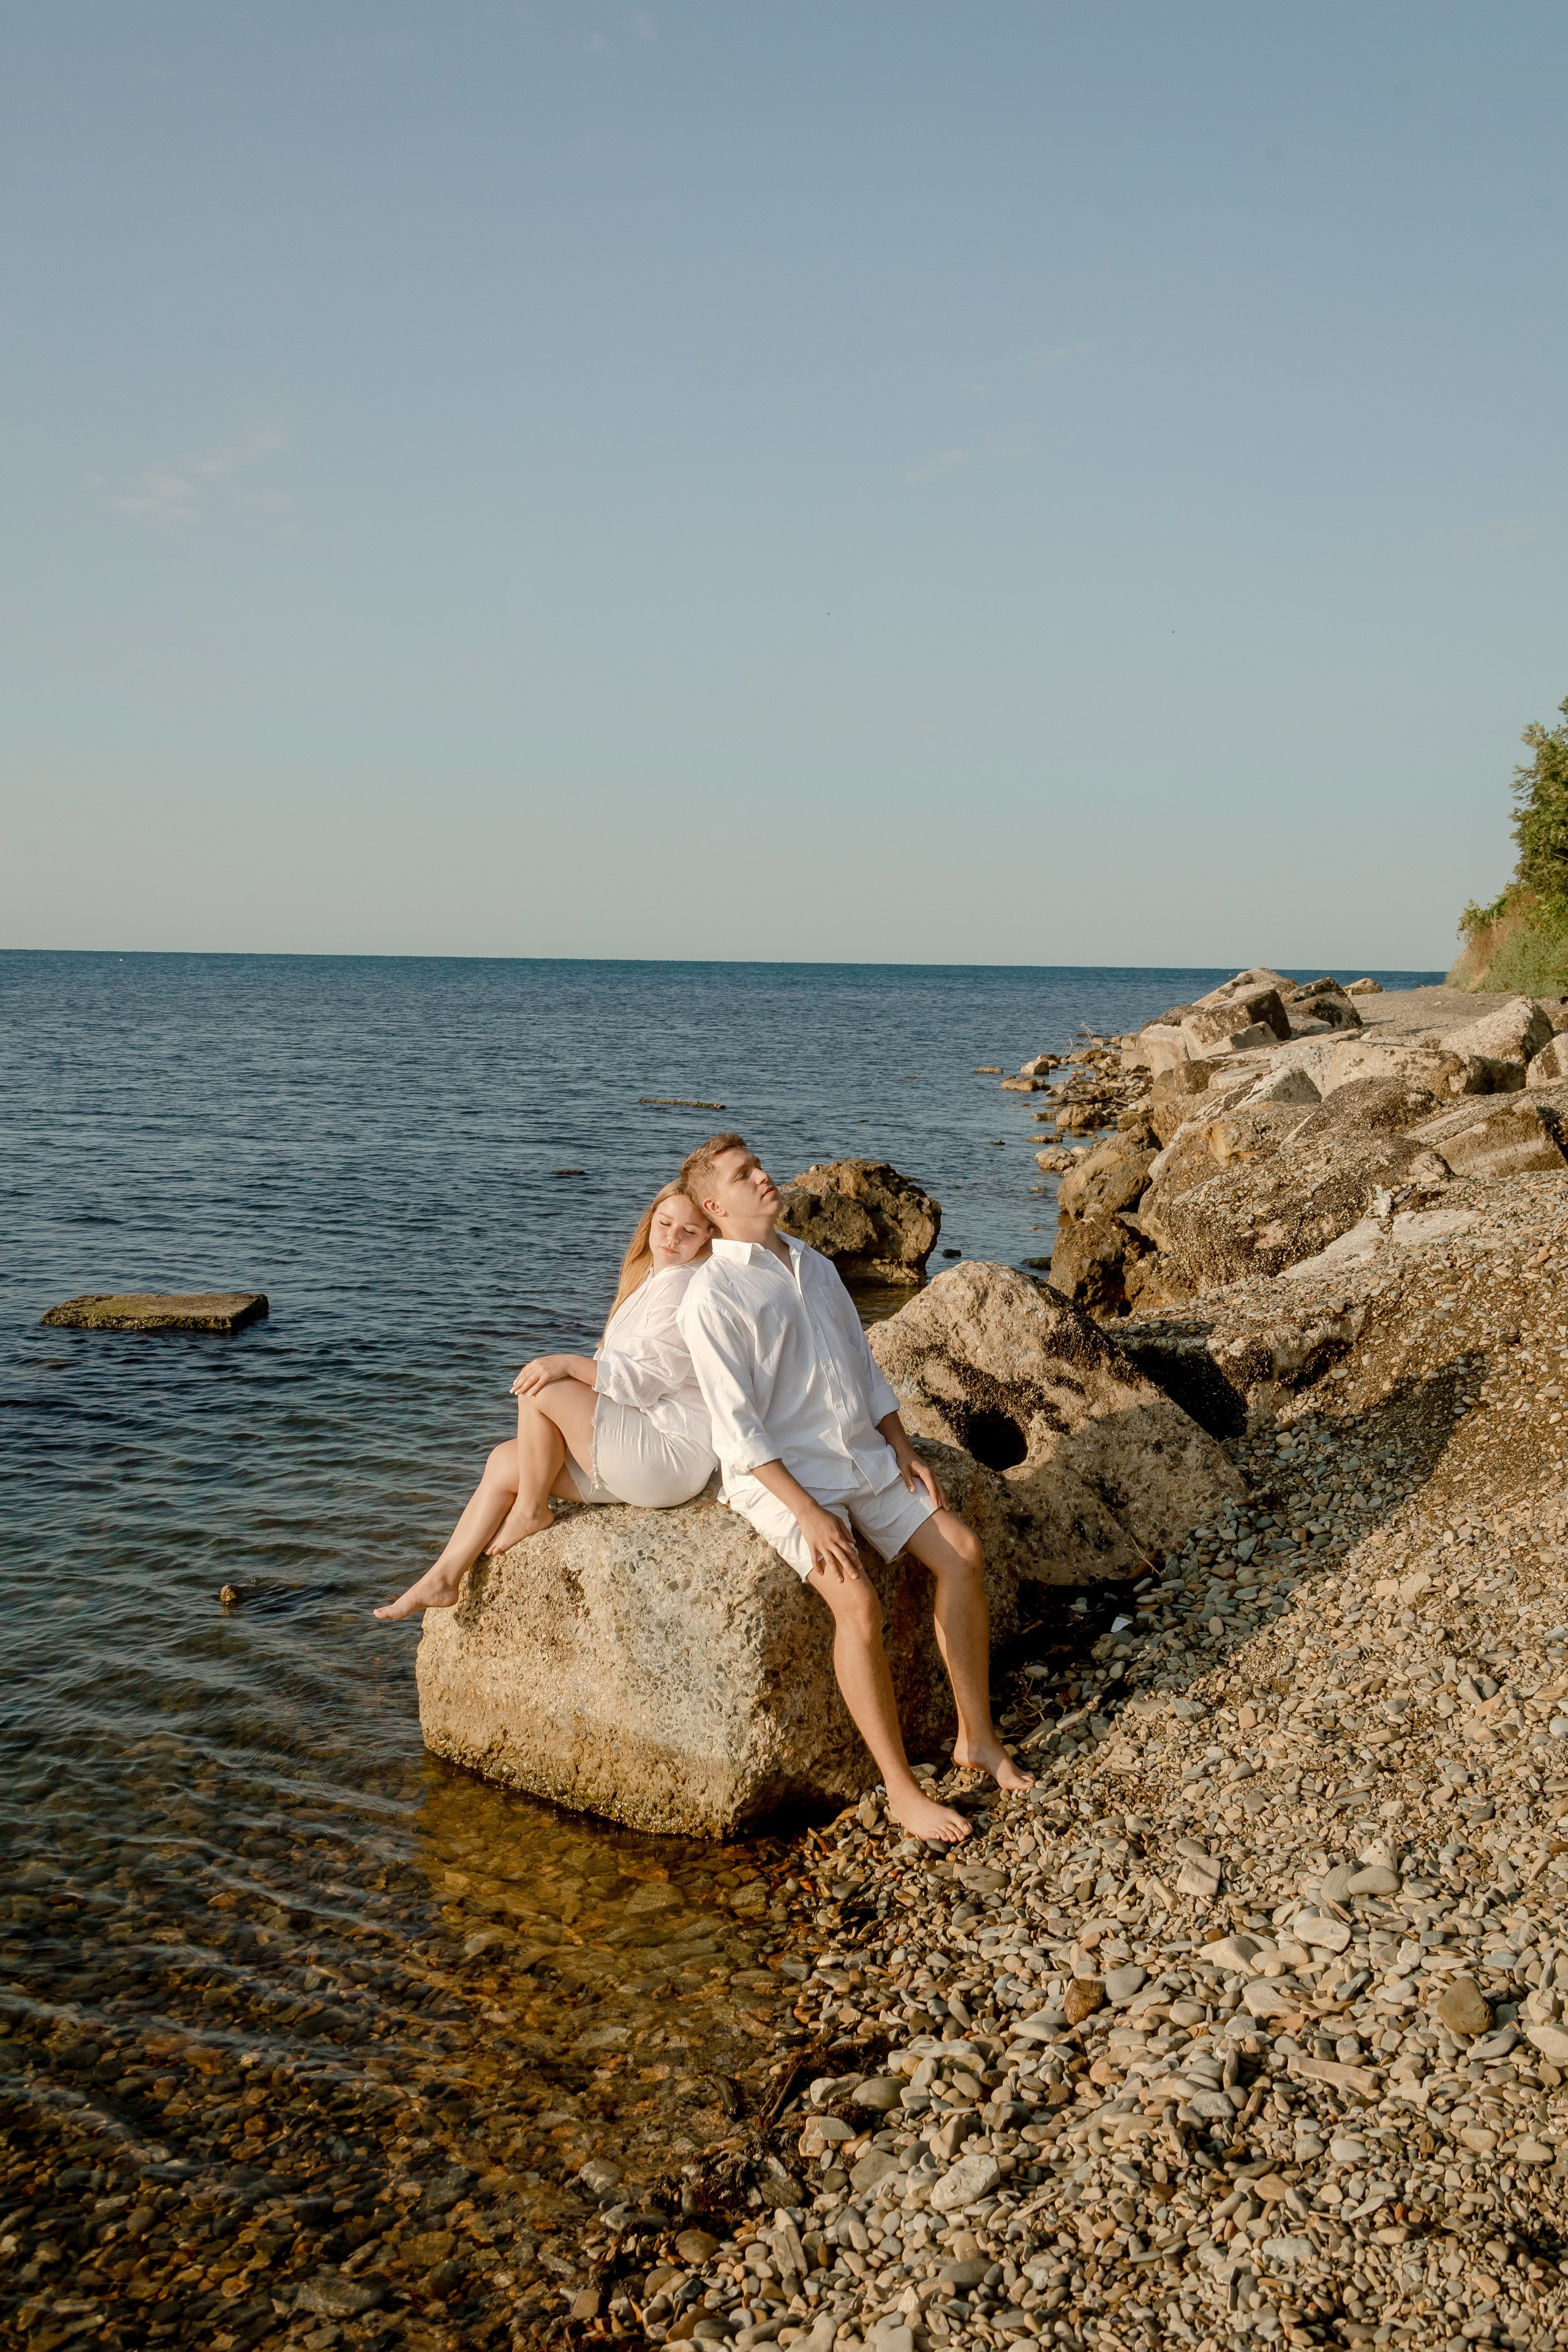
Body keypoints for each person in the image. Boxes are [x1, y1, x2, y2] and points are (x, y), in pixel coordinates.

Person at [676, 1133, 1032, 1845]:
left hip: (861, 1454)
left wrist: (902, 1446)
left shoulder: (812, 1263)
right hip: (781, 1478)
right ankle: (900, 1790)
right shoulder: (711, 1295)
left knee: (961, 1552)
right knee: (857, 1602)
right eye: (744, 1175)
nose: (764, 1177)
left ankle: (977, 1740)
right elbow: (737, 1430)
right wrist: (807, 1513)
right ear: (714, 1206)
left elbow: (862, 1368)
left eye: (759, 1165)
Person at [374, 1184, 718, 1621]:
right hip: (642, 1445)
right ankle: (443, 1578)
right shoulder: (651, 1278)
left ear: (708, 1235)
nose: (672, 1238)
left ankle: (532, 1511)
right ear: (650, 1221)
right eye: (665, 1224)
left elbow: (643, 1384)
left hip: (668, 1453)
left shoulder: (681, 1286)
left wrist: (568, 1363)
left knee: (543, 1386)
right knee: (505, 1461)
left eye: (689, 1231)